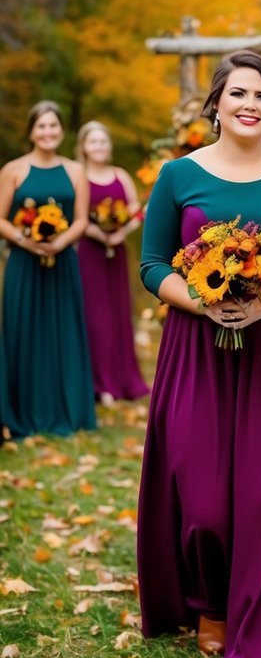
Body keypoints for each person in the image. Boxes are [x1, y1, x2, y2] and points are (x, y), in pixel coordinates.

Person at [138, 50, 261, 658]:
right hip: (196, 351)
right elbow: (152, 266)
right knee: (202, 499)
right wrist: (203, 300)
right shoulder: (177, 175)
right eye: (238, 93)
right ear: (215, 103)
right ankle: (207, 602)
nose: (250, 105)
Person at [0, 101, 96, 437]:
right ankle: (20, 410)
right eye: (41, 126)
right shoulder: (13, 170)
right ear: (31, 131)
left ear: (61, 131)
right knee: (22, 331)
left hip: (63, 263)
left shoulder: (74, 171)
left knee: (62, 332)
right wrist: (27, 242)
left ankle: (65, 409)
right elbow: (0, 219)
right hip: (23, 264)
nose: (48, 132)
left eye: (53, 125)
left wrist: (60, 242)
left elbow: (82, 219)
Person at [77, 121, 150, 404]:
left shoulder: (120, 175)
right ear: (83, 146)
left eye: (103, 142)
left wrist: (120, 232)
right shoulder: (78, 176)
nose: (99, 147)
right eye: (93, 142)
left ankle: (122, 379)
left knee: (119, 314)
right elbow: (76, 216)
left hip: (115, 254)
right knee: (96, 319)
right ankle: (100, 384)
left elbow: (136, 212)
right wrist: (97, 232)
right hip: (89, 254)